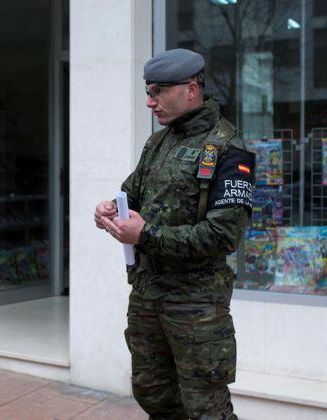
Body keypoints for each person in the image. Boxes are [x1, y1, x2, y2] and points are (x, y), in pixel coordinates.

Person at [94, 49, 255, 419]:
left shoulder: (229, 148)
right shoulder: (158, 143)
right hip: (149, 294)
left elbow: (222, 236)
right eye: (148, 91)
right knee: (153, 394)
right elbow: (130, 195)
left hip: (196, 304)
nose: (149, 101)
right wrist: (109, 210)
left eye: (157, 91)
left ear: (191, 89)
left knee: (206, 407)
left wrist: (145, 235)